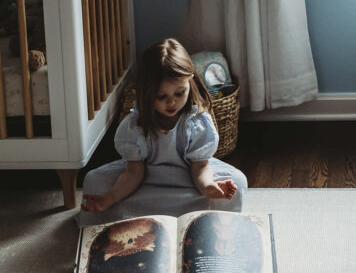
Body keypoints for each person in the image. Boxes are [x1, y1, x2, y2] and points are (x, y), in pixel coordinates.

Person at [80, 38, 247, 222]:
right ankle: (119, 207)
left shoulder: (196, 123)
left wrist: (209, 187)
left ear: (189, 83)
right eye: (161, 96)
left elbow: (200, 167)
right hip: (145, 183)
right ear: (147, 92)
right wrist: (109, 198)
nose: (172, 102)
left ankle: (156, 213)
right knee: (93, 181)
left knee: (238, 181)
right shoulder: (136, 125)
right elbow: (134, 173)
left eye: (179, 93)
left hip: (189, 181)